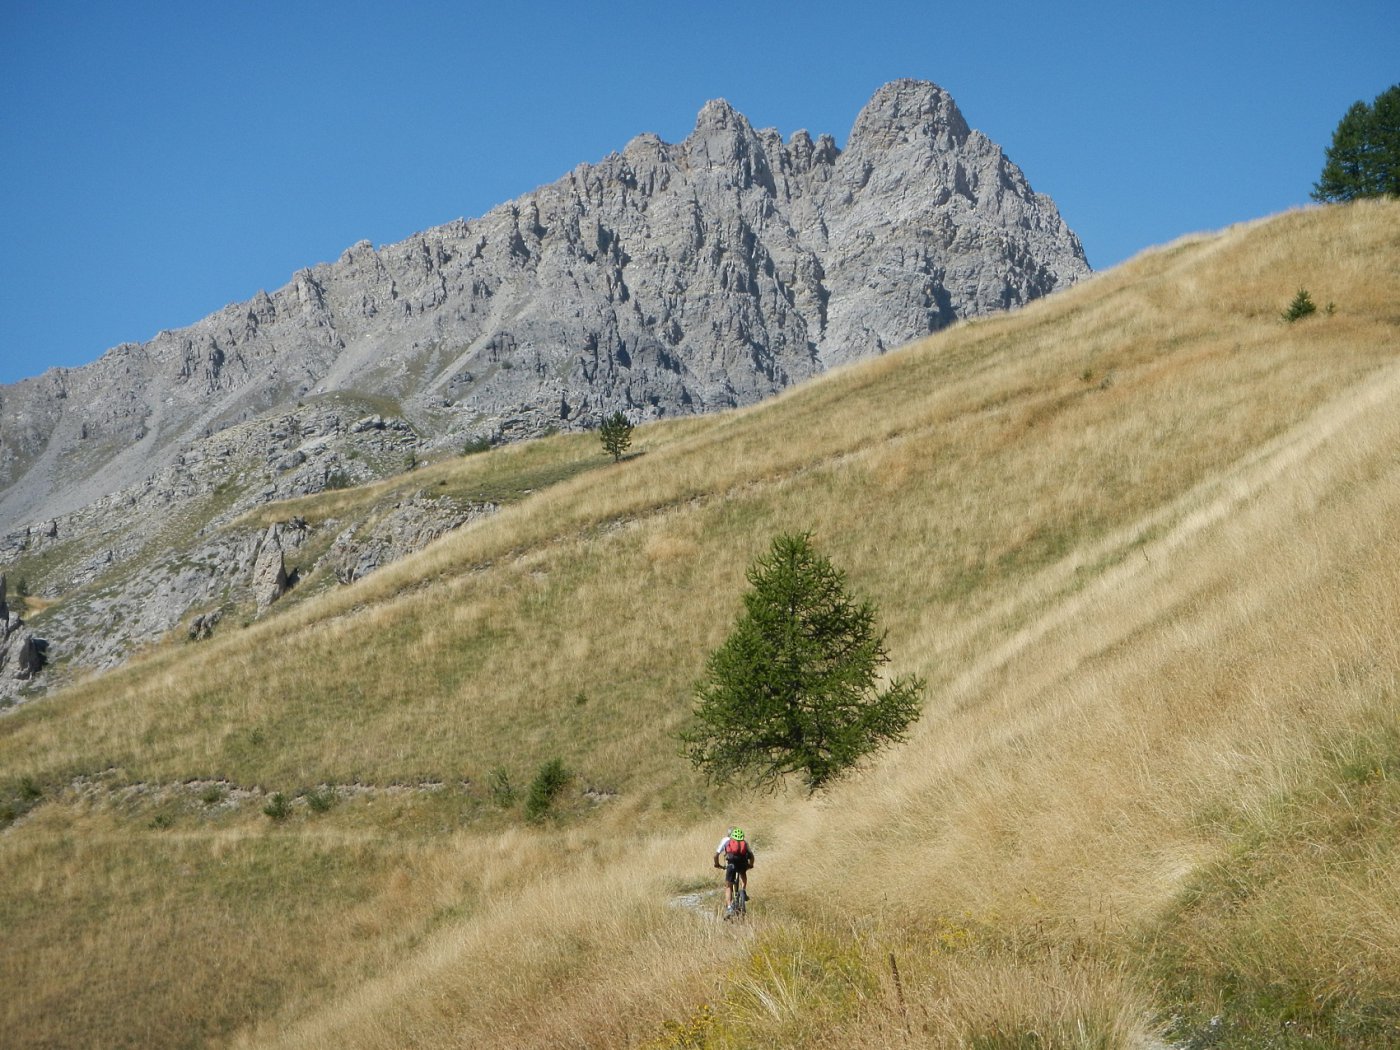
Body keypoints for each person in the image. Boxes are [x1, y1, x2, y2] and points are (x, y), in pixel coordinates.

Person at [713, 826, 755, 916]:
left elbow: (716, 855)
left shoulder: (726, 840)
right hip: (743, 863)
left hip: (731, 864)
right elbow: (751, 856)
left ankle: (729, 908)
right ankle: (743, 890)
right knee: (743, 872)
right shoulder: (744, 842)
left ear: (729, 834)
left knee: (728, 886)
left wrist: (717, 864)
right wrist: (751, 865)